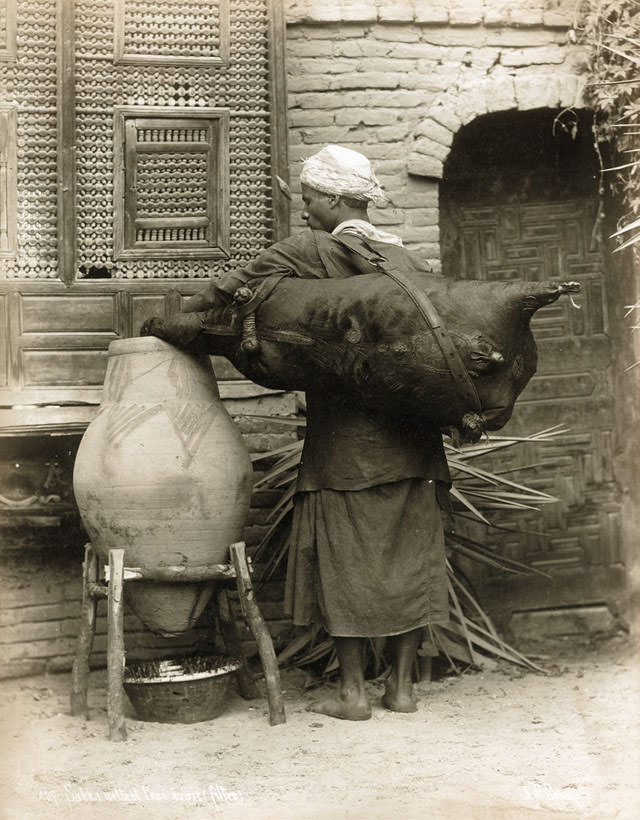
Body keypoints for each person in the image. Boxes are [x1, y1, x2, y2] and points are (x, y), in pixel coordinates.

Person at [147, 145, 451, 720]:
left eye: (310, 200)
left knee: (345, 566)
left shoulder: (308, 250)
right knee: (411, 562)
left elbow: (221, 296)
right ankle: (403, 690)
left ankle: (354, 694)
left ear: (335, 199)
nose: (306, 210)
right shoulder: (405, 261)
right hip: (415, 446)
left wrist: (170, 322)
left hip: (343, 449)